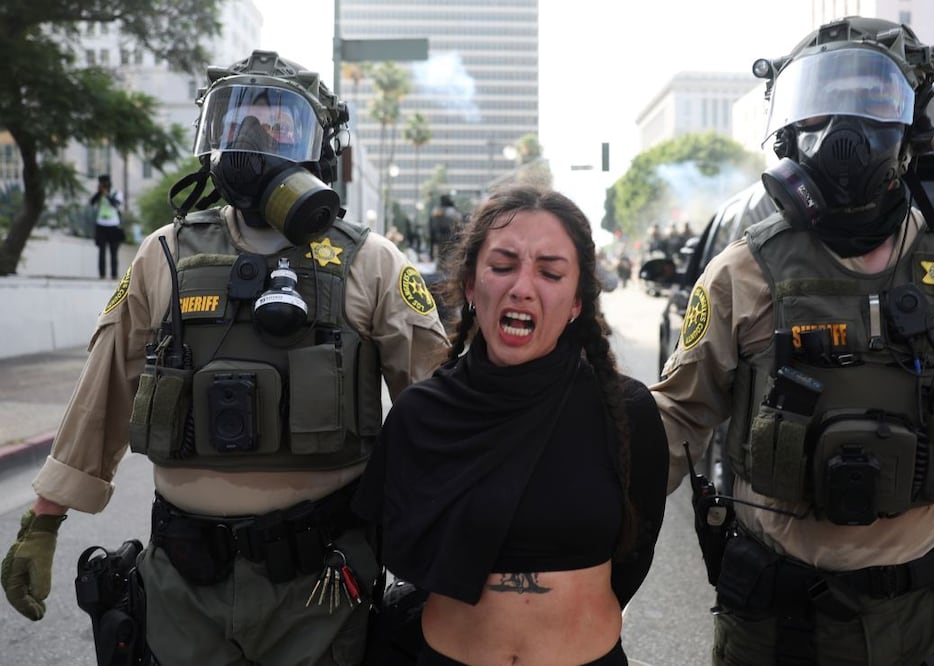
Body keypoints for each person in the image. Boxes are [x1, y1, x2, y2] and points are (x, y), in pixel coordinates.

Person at [649, 17, 934, 666]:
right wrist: (572, 518)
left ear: (911, 131)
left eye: (872, 102)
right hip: (773, 624)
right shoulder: (741, 272)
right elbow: (677, 416)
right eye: (821, 105)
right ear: (791, 131)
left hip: (924, 621)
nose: (842, 133)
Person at [0, 49, 449, 665]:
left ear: (318, 146)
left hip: (320, 584)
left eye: (277, 125)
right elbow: (102, 387)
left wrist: (464, 548)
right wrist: (42, 521)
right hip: (183, 584)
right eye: (235, 123)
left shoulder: (370, 261)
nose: (252, 140)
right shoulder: (165, 254)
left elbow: (442, 413)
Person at [358, 184, 669, 665]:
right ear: (469, 285)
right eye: (502, 267)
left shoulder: (625, 411)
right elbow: (388, 547)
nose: (522, 286)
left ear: (576, 302)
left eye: (550, 272)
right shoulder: (421, 415)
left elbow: (635, 554)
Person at [90, 174, 125, 280]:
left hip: (113, 225)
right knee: (102, 251)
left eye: (105, 183)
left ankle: (114, 274)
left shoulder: (116, 193)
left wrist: (106, 194)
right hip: (101, 224)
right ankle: (102, 275)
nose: (104, 185)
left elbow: (116, 204)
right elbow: (92, 202)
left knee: (113, 251)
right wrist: (99, 193)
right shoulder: (99, 194)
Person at [429, 193, 463, 269]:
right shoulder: (453, 211)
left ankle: (441, 268)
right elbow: (459, 225)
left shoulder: (436, 210)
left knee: (442, 256)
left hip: (440, 238)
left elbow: (432, 225)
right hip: (450, 238)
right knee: (449, 257)